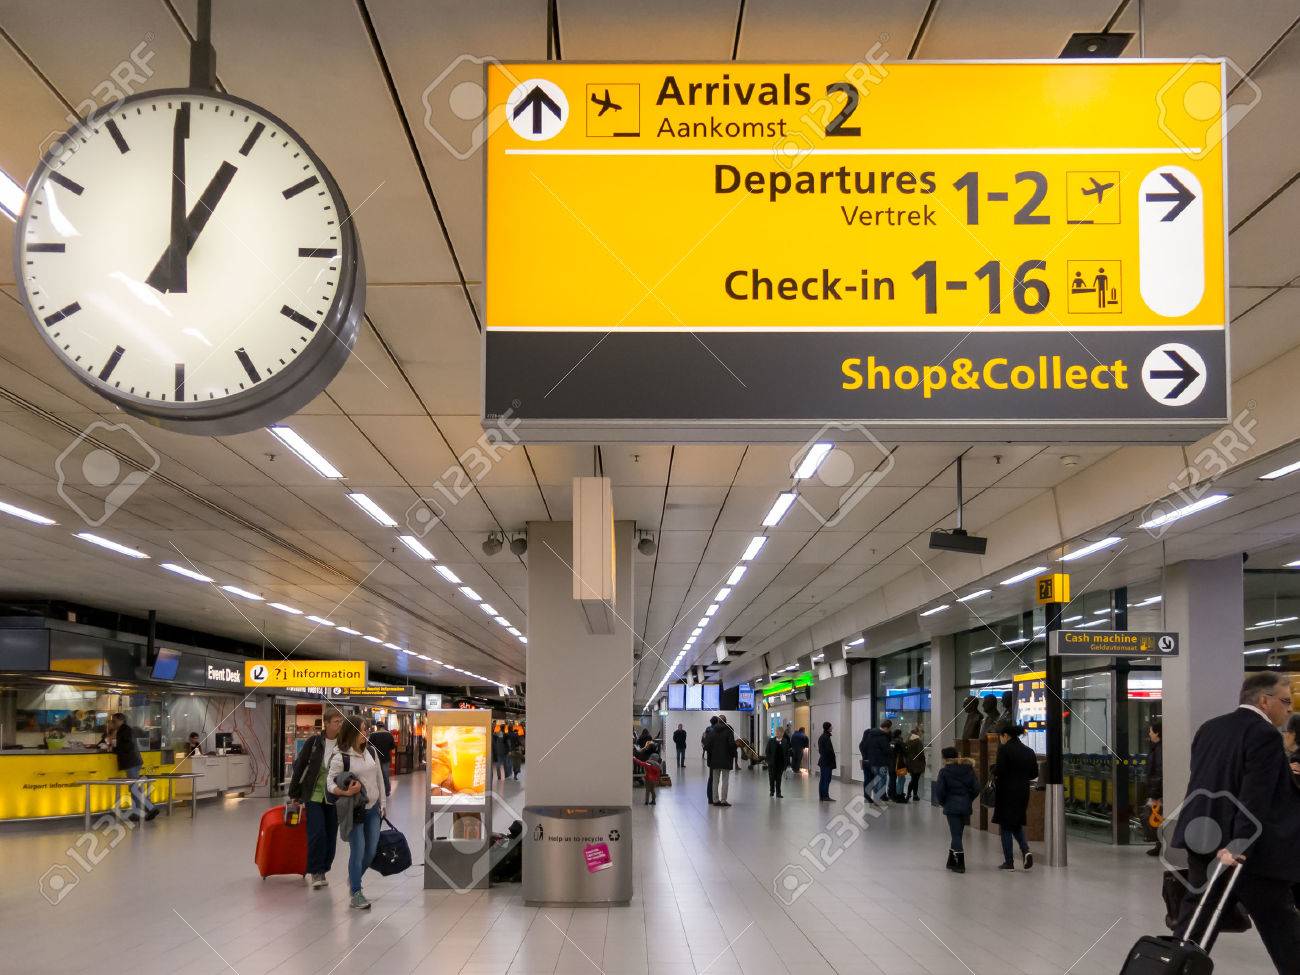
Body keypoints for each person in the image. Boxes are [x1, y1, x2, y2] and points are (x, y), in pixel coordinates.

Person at [1171, 671, 1300, 971]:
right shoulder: (1265, 734)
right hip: (1246, 854)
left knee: (1194, 926)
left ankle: (1172, 969)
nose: (1290, 709)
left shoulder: (1210, 728)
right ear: (1265, 701)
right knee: (1283, 930)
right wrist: (1239, 845)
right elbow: (1254, 797)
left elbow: (1211, 782)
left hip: (1203, 840)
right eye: (1286, 701)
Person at [328, 719, 388, 910]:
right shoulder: (341, 757)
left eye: (367, 729)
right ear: (353, 732)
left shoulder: (370, 752)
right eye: (363, 730)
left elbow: (379, 777)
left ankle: (354, 878)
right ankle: (356, 892)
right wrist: (345, 792)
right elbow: (330, 783)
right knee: (359, 850)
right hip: (355, 810)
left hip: (373, 808)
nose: (366, 733)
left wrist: (383, 803)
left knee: (371, 851)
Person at [287, 710, 343, 889]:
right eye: (336, 721)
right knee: (317, 832)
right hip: (314, 795)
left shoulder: (344, 744)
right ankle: (316, 871)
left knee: (330, 834)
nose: (339, 725)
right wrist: (295, 794)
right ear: (326, 723)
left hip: (334, 797)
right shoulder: (314, 743)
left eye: (341, 722)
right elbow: (300, 766)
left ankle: (324, 868)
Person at [991, 722, 1038, 870]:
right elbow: (1034, 774)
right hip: (1023, 792)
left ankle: (1009, 861)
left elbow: (1000, 771)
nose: (1000, 739)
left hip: (1006, 792)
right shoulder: (1029, 751)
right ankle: (1025, 851)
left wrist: (993, 769)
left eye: (1000, 736)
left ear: (1005, 735)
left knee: (1005, 826)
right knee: (1015, 823)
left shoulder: (1004, 750)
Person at [933, 746, 980, 874]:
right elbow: (976, 788)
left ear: (945, 758)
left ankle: (960, 863)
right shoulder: (968, 769)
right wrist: (968, 799)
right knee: (958, 832)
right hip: (965, 806)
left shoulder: (944, 772)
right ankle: (951, 861)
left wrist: (944, 803)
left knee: (956, 834)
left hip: (951, 806)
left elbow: (940, 791)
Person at [106, 713, 157, 822]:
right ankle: (149, 808)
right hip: (133, 761)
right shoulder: (125, 729)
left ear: (121, 720)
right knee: (135, 788)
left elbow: (127, 746)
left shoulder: (124, 730)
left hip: (131, 762)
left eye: (114, 721)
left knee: (134, 789)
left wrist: (114, 749)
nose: (112, 723)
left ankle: (143, 811)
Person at [707, 715, 737, 807]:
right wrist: (733, 755)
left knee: (715, 781)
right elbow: (732, 745)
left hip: (715, 761)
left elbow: (708, 746)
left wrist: (711, 757)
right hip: (726, 760)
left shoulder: (712, 731)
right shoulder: (729, 731)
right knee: (725, 781)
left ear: (718, 722)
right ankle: (723, 800)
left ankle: (715, 800)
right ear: (725, 721)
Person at [860, 719, 892, 804]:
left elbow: (865, 747)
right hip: (882, 762)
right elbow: (886, 750)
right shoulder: (882, 737)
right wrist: (890, 749)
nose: (889, 731)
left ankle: (872, 798)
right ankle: (878, 799)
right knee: (881, 781)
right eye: (889, 729)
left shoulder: (870, 735)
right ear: (886, 728)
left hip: (873, 762)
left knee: (875, 780)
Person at [1144, 719, 1163, 856]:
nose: (1149, 733)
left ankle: (1159, 843)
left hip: (1157, 791)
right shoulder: (1155, 748)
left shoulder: (1159, 750)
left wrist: (1154, 795)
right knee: (1157, 817)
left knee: (1155, 817)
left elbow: (1158, 772)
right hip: (1156, 789)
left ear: (1157, 733)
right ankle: (1159, 844)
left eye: (1150, 731)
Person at [904, 725, 926, 802]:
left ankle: (914, 795)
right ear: (918, 733)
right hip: (917, 764)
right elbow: (921, 754)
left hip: (910, 763)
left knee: (914, 779)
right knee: (915, 780)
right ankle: (910, 794)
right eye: (921, 733)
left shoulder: (908, 740)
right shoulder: (918, 741)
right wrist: (924, 762)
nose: (922, 735)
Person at [765, 726, 788, 798]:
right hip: (772, 763)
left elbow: (786, 753)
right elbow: (767, 751)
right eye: (776, 732)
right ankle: (772, 791)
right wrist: (769, 761)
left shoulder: (785, 741)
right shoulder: (771, 741)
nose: (777, 733)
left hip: (780, 764)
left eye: (779, 732)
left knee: (779, 778)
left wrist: (786, 764)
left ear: (782, 733)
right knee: (771, 778)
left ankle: (778, 793)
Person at [817, 722, 837, 801]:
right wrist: (832, 757)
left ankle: (822, 796)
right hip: (827, 762)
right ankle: (825, 796)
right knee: (826, 779)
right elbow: (828, 751)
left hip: (824, 761)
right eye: (831, 726)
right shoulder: (825, 737)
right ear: (828, 727)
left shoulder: (823, 737)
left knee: (823, 779)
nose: (832, 727)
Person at [888, 728, 906, 801]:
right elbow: (905, 750)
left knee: (892, 779)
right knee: (902, 779)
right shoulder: (899, 741)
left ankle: (891, 794)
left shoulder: (891, 742)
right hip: (900, 763)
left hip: (891, 764)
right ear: (899, 734)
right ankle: (899, 795)